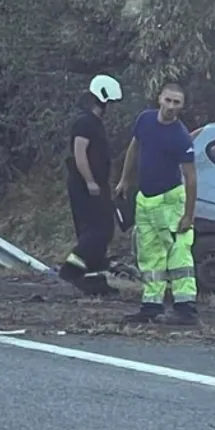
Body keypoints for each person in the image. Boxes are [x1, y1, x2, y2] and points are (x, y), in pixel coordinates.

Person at [115, 82, 199, 325]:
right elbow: (134, 147)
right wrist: (124, 179)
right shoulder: (145, 120)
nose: (171, 106)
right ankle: (151, 305)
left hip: (171, 201)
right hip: (146, 199)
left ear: (181, 107)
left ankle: (186, 309)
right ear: (159, 99)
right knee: (150, 255)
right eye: (168, 100)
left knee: (178, 255)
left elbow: (191, 178)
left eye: (177, 103)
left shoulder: (180, 136)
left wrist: (188, 215)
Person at [58, 74, 123, 295]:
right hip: (85, 185)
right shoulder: (85, 122)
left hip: (96, 184)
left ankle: (93, 276)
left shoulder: (95, 123)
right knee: (96, 230)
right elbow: (79, 153)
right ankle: (71, 270)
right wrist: (90, 182)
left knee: (104, 228)